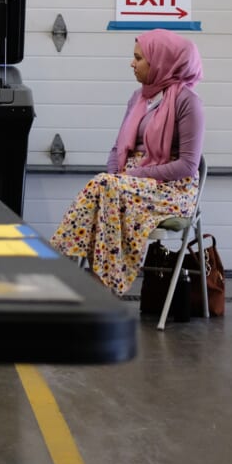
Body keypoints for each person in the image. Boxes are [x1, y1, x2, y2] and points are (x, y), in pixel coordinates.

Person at [49, 29, 205, 296]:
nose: (132, 63)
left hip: (171, 189)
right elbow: (117, 147)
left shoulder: (188, 102)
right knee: (105, 188)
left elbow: (189, 165)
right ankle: (98, 284)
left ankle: (68, 269)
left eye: (139, 58)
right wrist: (118, 176)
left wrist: (134, 175)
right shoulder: (139, 97)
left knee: (104, 188)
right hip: (128, 185)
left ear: (161, 61)